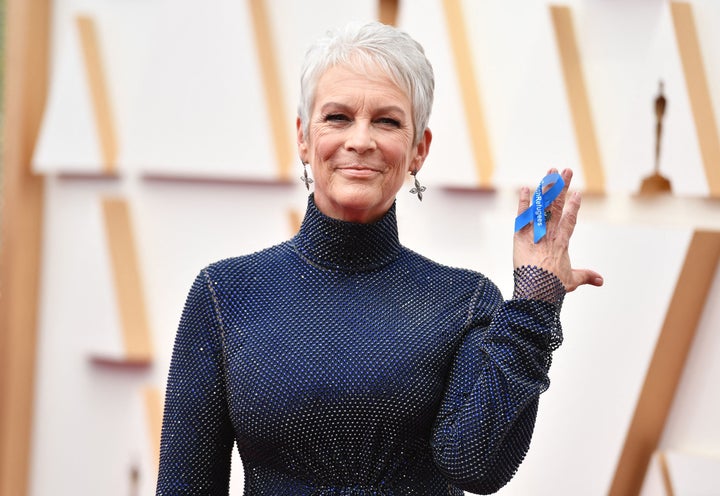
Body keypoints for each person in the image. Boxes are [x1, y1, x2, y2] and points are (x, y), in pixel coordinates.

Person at [156, 21, 603, 495]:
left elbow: (476, 465)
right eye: (338, 118)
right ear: (304, 138)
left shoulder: (464, 301)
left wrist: (535, 303)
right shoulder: (226, 295)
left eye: (387, 121)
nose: (361, 140)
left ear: (418, 150)